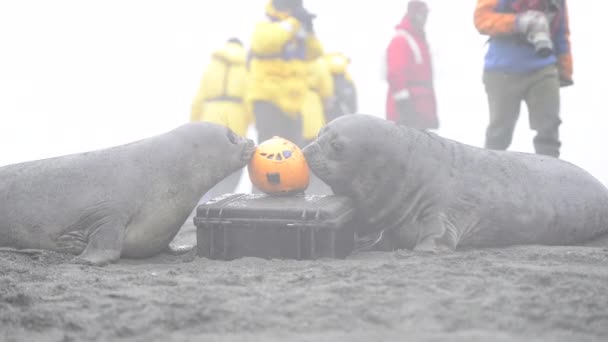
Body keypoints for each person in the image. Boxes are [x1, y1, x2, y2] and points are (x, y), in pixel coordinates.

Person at [474, 0, 573, 158]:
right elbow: (481, 19)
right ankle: (489, 175)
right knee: (499, 133)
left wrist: (565, 70)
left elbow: (561, 32)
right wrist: (518, 22)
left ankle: (550, 177)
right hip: (501, 71)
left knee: (549, 131)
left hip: (543, 69)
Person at [246, 0, 324, 148]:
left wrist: (309, 31)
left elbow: (316, 52)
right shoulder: (266, 24)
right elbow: (263, 43)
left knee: (293, 152)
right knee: (269, 151)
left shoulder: (297, 32)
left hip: (294, 102)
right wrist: (293, 22)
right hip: (268, 99)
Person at [190, 37, 252, 200]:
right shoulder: (246, 66)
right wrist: (254, 121)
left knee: (208, 162)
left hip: (209, 115)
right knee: (234, 161)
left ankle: (206, 200)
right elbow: (249, 99)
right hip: (235, 117)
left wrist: (194, 124)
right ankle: (224, 198)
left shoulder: (212, 66)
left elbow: (199, 98)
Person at [385, 0, 438, 130]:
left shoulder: (418, 40)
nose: (425, 18)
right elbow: (395, 74)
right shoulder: (401, 39)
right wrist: (404, 106)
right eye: (422, 14)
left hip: (420, 110)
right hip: (407, 111)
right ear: (414, 15)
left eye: (426, 14)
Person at [324, 52, 358, 122]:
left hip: (329, 121)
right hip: (344, 119)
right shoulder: (348, 80)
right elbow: (353, 107)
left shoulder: (326, 77)